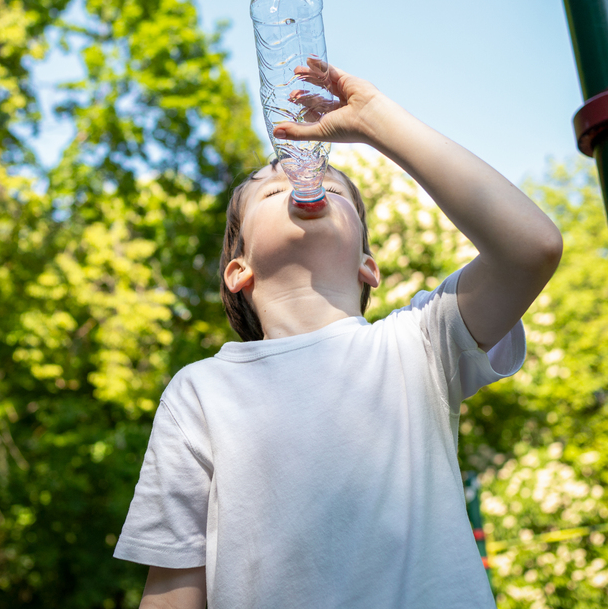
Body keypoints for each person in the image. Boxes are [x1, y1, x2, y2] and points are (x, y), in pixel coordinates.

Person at [113, 61, 563, 609]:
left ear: (368, 266)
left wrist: (377, 122)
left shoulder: (418, 345)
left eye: (335, 185)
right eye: (269, 185)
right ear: (239, 270)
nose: (301, 171)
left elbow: (531, 247)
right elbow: (172, 591)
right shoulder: (200, 393)